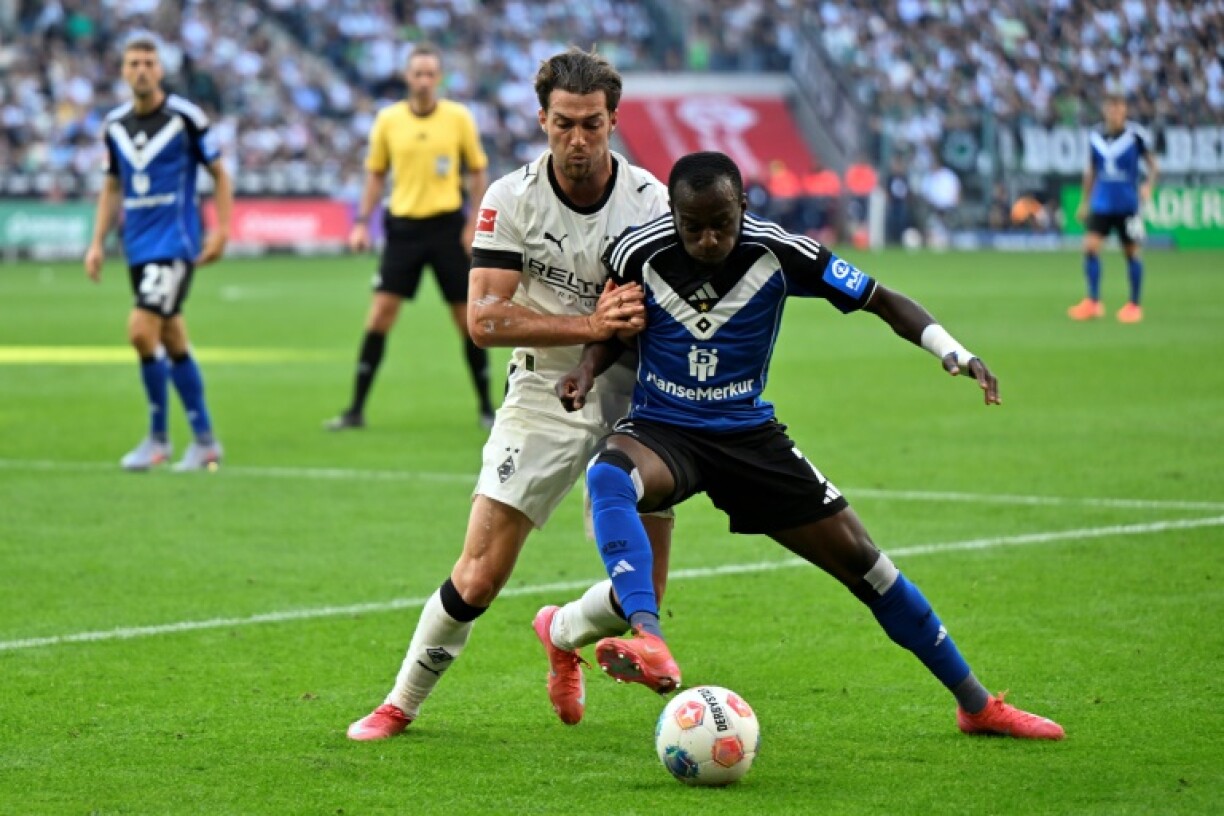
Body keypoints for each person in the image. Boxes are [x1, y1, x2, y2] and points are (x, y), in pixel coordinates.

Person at [557, 151, 1065, 740]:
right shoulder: (636, 252)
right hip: (664, 430)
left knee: (867, 566)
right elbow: (614, 328)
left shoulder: (783, 252)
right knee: (609, 475)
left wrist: (950, 348)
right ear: (671, 214)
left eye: (721, 221)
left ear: (744, 207)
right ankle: (649, 637)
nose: (707, 238)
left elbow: (881, 299)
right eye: (692, 225)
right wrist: (587, 370)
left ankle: (976, 705)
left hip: (747, 437)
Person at [346, 48, 675, 740]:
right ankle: (400, 702)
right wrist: (588, 323)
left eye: (591, 125)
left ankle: (561, 631)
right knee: (480, 572)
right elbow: (484, 319)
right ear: (542, 120)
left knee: (639, 592)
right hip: (541, 387)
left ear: (613, 120)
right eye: (563, 125)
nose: (577, 141)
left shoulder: (650, 202)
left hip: (638, 393)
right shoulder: (511, 198)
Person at [325, 43, 494, 431]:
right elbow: (375, 175)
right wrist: (361, 222)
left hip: (448, 229)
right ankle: (355, 410)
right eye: (417, 73)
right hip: (403, 229)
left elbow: (477, 172)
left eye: (430, 74)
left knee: (467, 319)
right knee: (380, 314)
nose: (423, 80)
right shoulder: (388, 120)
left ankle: (487, 408)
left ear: (438, 78)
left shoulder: (458, 118)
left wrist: (474, 224)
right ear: (407, 77)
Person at [83, 33, 232, 472]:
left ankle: (158, 437)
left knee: (140, 331)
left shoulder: (186, 118)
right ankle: (205, 440)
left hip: (176, 241)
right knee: (171, 337)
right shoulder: (115, 126)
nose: (142, 70)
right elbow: (111, 186)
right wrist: (96, 243)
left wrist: (221, 231)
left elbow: (220, 174)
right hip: (138, 246)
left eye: (149, 62)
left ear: (161, 69)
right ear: (123, 71)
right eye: (134, 63)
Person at [1069, 93, 1158, 323]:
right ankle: (1093, 302)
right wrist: (1085, 201)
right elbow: (1090, 171)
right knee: (1090, 248)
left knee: (1131, 253)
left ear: (1125, 111)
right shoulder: (1095, 136)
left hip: (1128, 205)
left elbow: (1153, 166)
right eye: (1111, 108)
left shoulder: (1135, 135)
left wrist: (1148, 186)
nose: (1115, 113)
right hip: (1101, 203)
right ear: (1105, 110)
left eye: (1119, 109)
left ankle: (1134, 305)